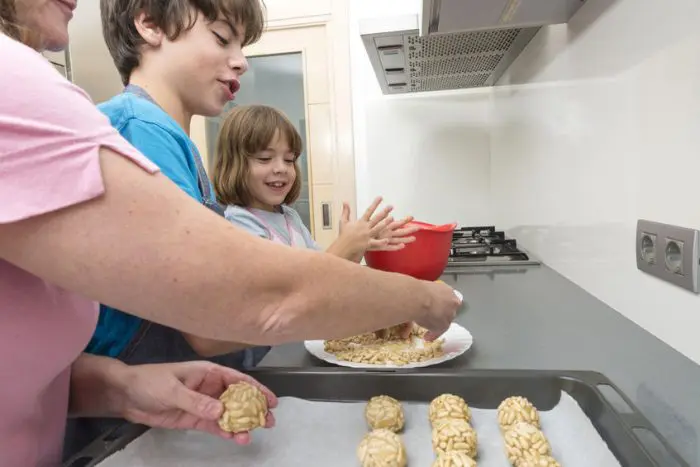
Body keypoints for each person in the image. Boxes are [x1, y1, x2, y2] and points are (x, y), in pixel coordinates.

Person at [0, 1, 460, 465]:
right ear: (149, 23)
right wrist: (420, 297)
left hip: (138, 411)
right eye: (222, 38)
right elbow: (239, 303)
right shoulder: (139, 129)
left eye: (243, 45)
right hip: (120, 438)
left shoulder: (170, 138)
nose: (241, 60)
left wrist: (120, 388)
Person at [214, 104, 418, 264]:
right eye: (265, 158)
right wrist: (344, 244)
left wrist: (360, 245)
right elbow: (293, 287)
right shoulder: (239, 223)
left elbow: (331, 274)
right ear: (234, 165)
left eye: (289, 159)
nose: (281, 168)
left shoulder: (290, 217)